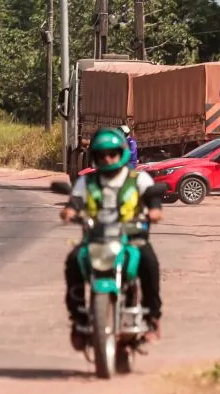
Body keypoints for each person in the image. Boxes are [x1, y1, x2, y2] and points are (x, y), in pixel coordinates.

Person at [58, 127, 164, 350]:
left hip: (132, 238)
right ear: (95, 156)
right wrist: (69, 211)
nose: (108, 158)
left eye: (112, 152)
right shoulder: (86, 181)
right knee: (73, 261)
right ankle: (78, 320)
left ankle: (152, 318)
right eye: (102, 154)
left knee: (149, 262)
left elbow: (152, 197)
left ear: (121, 152)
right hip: (96, 238)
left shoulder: (138, 178)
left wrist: (154, 210)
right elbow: (75, 201)